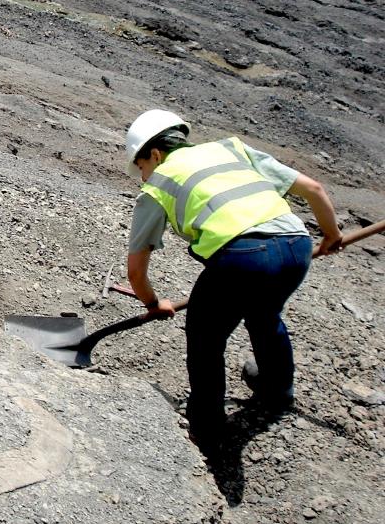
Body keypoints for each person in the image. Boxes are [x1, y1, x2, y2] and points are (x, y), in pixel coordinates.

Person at [121, 109, 342, 455]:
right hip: (295, 245)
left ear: (155, 154)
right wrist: (331, 234)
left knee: (205, 338)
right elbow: (313, 188)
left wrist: (153, 303)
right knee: (265, 314)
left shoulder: (159, 184)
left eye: (141, 167)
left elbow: (136, 270)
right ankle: (277, 393)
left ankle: (207, 430)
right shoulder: (230, 148)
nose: (143, 177)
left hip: (243, 256)